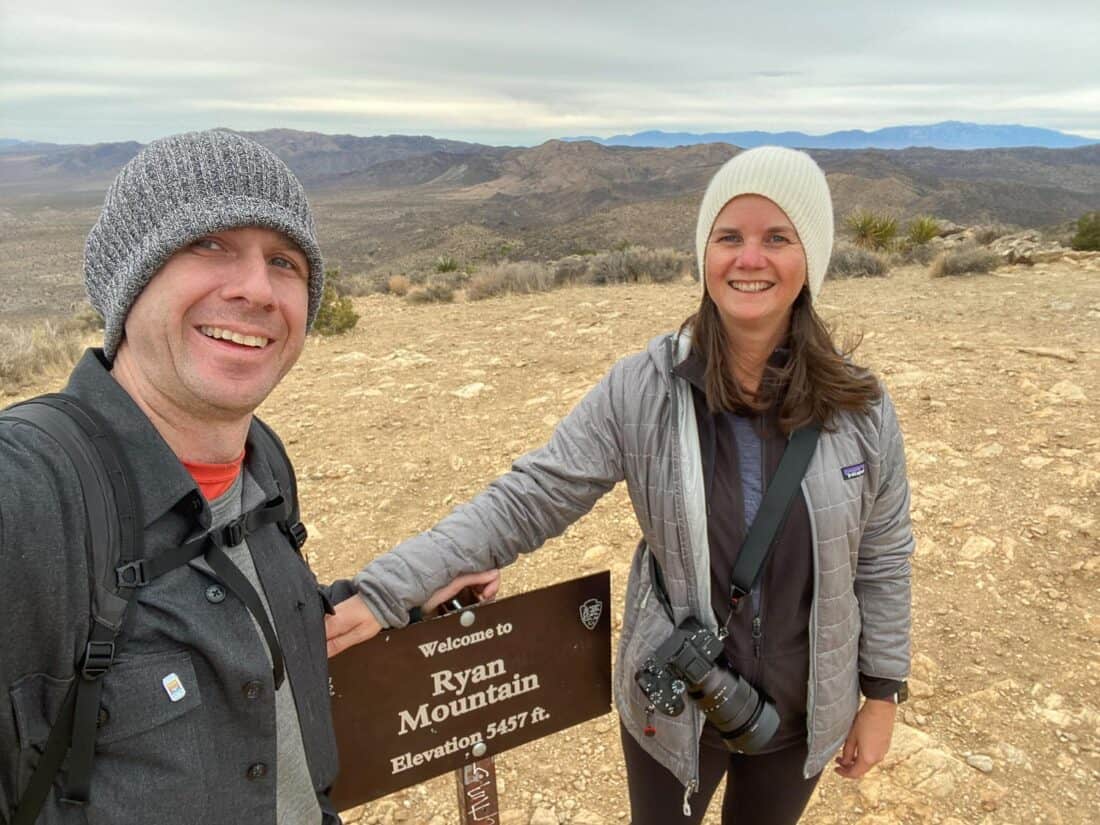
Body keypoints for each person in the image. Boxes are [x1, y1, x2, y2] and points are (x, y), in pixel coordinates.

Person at [326, 146, 914, 824]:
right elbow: (528, 498)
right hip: (675, 701)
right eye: (729, 237)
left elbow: (884, 553)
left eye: (777, 238)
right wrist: (385, 591)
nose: (748, 259)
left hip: (803, 708)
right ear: (704, 255)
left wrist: (880, 691)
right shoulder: (645, 390)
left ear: (811, 256)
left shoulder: (860, 408)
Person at [0, 130, 494, 825]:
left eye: (284, 261)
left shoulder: (262, 464)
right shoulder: (31, 492)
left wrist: (405, 598)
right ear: (129, 278)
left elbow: (247, 622)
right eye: (208, 244)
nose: (257, 289)